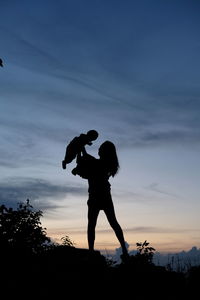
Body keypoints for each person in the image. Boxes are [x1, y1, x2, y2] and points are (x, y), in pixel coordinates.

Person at [73, 140, 129, 259]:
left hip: (95, 196)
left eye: (100, 149)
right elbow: (89, 161)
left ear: (104, 152)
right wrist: (81, 151)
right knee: (113, 223)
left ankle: (91, 250)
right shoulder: (107, 164)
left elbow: (89, 161)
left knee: (92, 224)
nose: (98, 150)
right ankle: (124, 250)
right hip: (104, 196)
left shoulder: (101, 164)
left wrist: (81, 150)